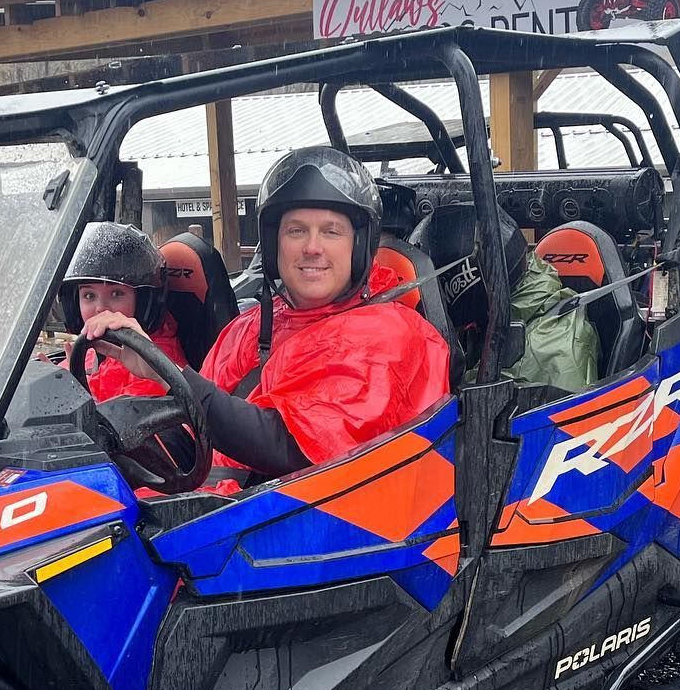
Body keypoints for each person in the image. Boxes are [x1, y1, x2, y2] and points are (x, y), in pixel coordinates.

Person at [81, 146, 450, 486]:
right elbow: (195, 437)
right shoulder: (249, 328)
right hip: (221, 509)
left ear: (358, 246)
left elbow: (289, 449)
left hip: (312, 522)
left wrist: (170, 373)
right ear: (274, 246)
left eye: (331, 231)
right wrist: (106, 440)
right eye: (296, 231)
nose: (312, 247)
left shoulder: (390, 336)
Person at [58, 222, 187, 403]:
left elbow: (131, 418)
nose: (100, 308)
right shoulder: (94, 350)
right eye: (89, 295)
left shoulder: (154, 365)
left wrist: (74, 396)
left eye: (116, 293)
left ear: (143, 303)